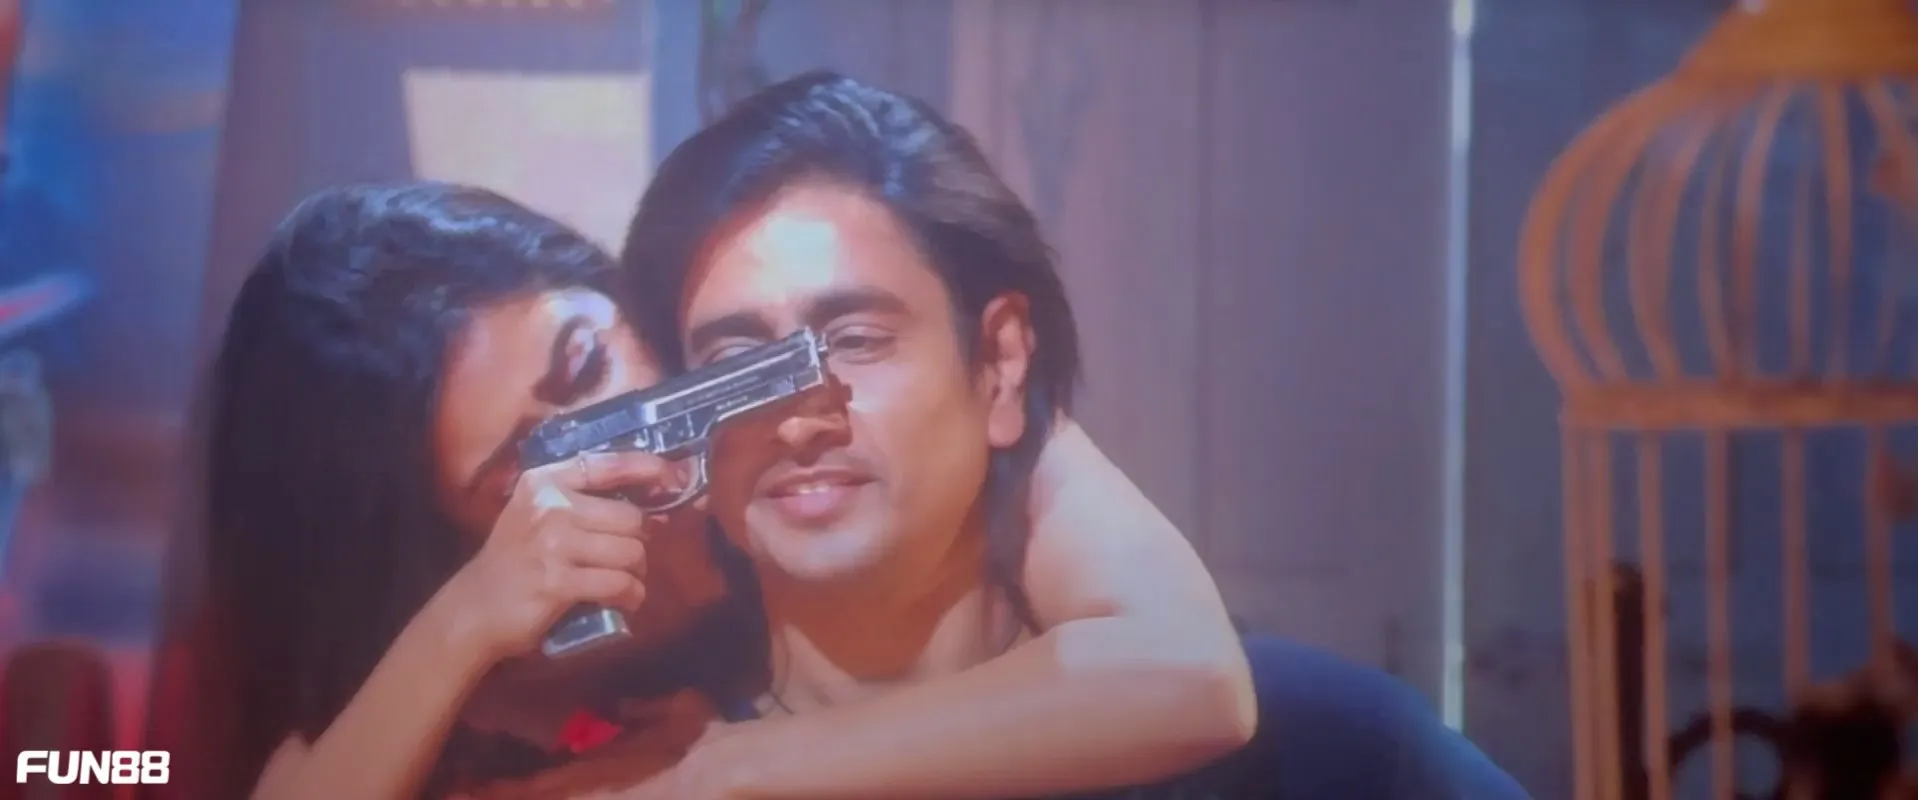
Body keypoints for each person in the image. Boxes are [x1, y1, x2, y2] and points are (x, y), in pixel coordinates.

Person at [171, 181, 1281, 800]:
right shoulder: (489, 684)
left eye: (585, 360)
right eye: (518, 468)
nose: (614, 432)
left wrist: (735, 770)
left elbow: (1188, 675)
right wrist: (465, 625)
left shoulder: (796, 394)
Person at [611, 71, 1533, 799]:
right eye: (734, 362)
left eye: (856, 340)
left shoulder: (1326, 745)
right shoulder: (641, 770)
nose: (797, 416)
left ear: (1000, 361)